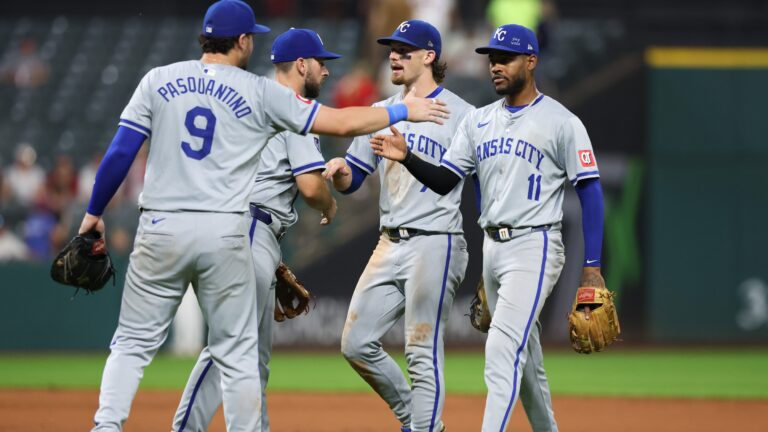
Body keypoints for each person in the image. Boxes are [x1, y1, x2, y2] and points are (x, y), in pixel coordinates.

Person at [78, 1, 450, 431]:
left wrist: (92, 214)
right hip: (229, 229)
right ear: (242, 41)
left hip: (162, 223)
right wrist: (404, 110)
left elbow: (121, 151)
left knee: (133, 344)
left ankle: (106, 425)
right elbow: (338, 132)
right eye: (250, 36)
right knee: (235, 354)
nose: (326, 72)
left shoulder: (158, 80)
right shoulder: (262, 94)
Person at [370, 24, 605, 432]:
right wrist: (407, 157)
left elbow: (591, 192)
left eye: (505, 58)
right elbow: (447, 181)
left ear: (531, 61)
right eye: (491, 58)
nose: (495, 65)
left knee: (500, 350)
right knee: (525, 361)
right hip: (494, 249)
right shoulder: (477, 121)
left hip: (536, 245)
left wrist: (591, 266)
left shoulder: (562, 121)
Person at [171, 27, 340, 432]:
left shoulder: (245, 99)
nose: (327, 72)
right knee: (230, 346)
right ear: (302, 65)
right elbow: (311, 185)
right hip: (249, 228)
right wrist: (331, 204)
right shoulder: (291, 106)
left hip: (234, 224)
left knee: (253, 356)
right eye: (321, 63)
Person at [323, 20, 473, 432]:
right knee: (355, 344)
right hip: (389, 242)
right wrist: (339, 173)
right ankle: (420, 421)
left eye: (404, 49)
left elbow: (465, 183)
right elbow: (354, 177)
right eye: (391, 48)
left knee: (421, 349)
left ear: (429, 56)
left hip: (436, 241)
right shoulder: (380, 112)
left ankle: (423, 426)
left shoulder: (463, 114)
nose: (393, 54)